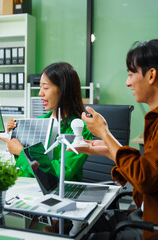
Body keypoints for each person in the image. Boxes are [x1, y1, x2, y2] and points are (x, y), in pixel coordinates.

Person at [76, 40, 158, 240]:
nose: (127, 82)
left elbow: (145, 180)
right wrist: (107, 149)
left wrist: (104, 133)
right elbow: (148, 172)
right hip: (144, 215)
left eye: (131, 74)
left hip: (150, 226)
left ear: (151, 75)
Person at [0, 62, 92, 181]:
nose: (40, 93)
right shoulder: (39, 122)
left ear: (63, 90)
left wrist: (22, 152)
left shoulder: (81, 129)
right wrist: (16, 136)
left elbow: (61, 172)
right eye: (40, 87)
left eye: (46, 87)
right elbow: (26, 169)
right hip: (32, 188)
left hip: (63, 191)